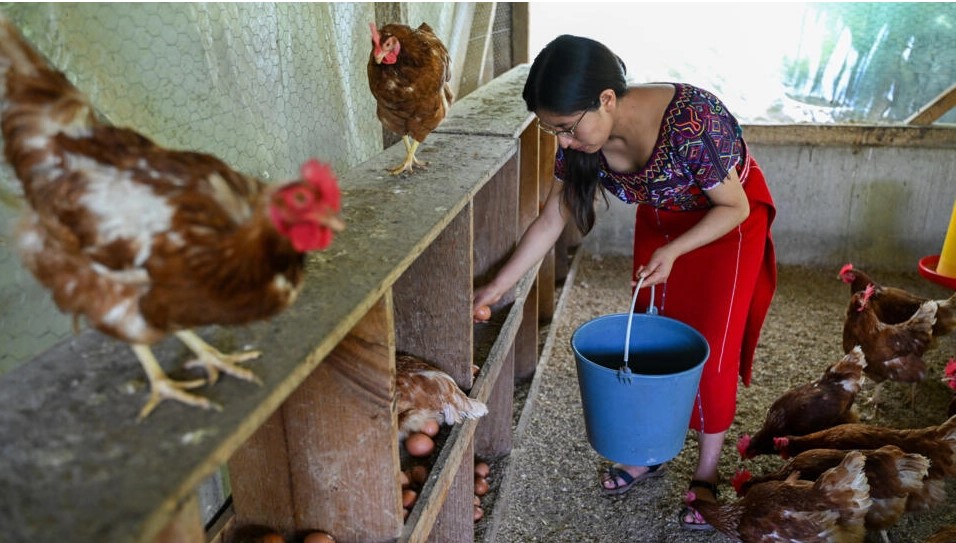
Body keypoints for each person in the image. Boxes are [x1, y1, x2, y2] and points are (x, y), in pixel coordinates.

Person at [472, 35, 777, 531]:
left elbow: (735, 205)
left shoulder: (692, 121)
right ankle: (649, 450)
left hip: (726, 225)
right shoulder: (582, 140)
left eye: (567, 129)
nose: (564, 144)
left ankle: (706, 472)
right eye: (553, 132)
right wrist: (497, 287)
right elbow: (555, 216)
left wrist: (675, 251)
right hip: (662, 220)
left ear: (607, 99)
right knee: (652, 336)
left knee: (711, 352)